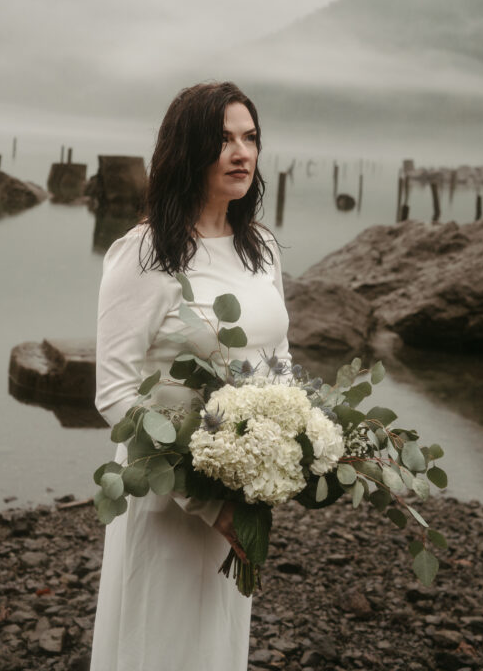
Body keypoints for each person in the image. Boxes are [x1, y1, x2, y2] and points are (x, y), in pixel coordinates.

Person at [90, 81, 290, 671]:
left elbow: (281, 369)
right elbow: (116, 394)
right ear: (187, 150)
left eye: (250, 138)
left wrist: (283, 461)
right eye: (223, 138)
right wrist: (206, 503)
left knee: (218, 649)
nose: (241, 152)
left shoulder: (263, 250)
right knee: (160, 647)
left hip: (243, 490)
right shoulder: (146, 254)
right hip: (168, 497)